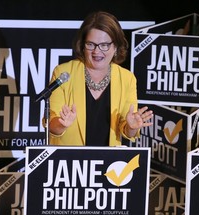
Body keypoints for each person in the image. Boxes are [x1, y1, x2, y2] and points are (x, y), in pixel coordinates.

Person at [46, 11, 153, 146]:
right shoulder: (63, 73)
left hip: (109, 163)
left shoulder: (127, 78)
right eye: (90, 44)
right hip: (70, 161)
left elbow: (126, 130)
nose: (97, 51)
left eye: (104, 45)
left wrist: (132, 127)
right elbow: (52, 125)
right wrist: (62, 124)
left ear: (115, 47)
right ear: (82, 45)